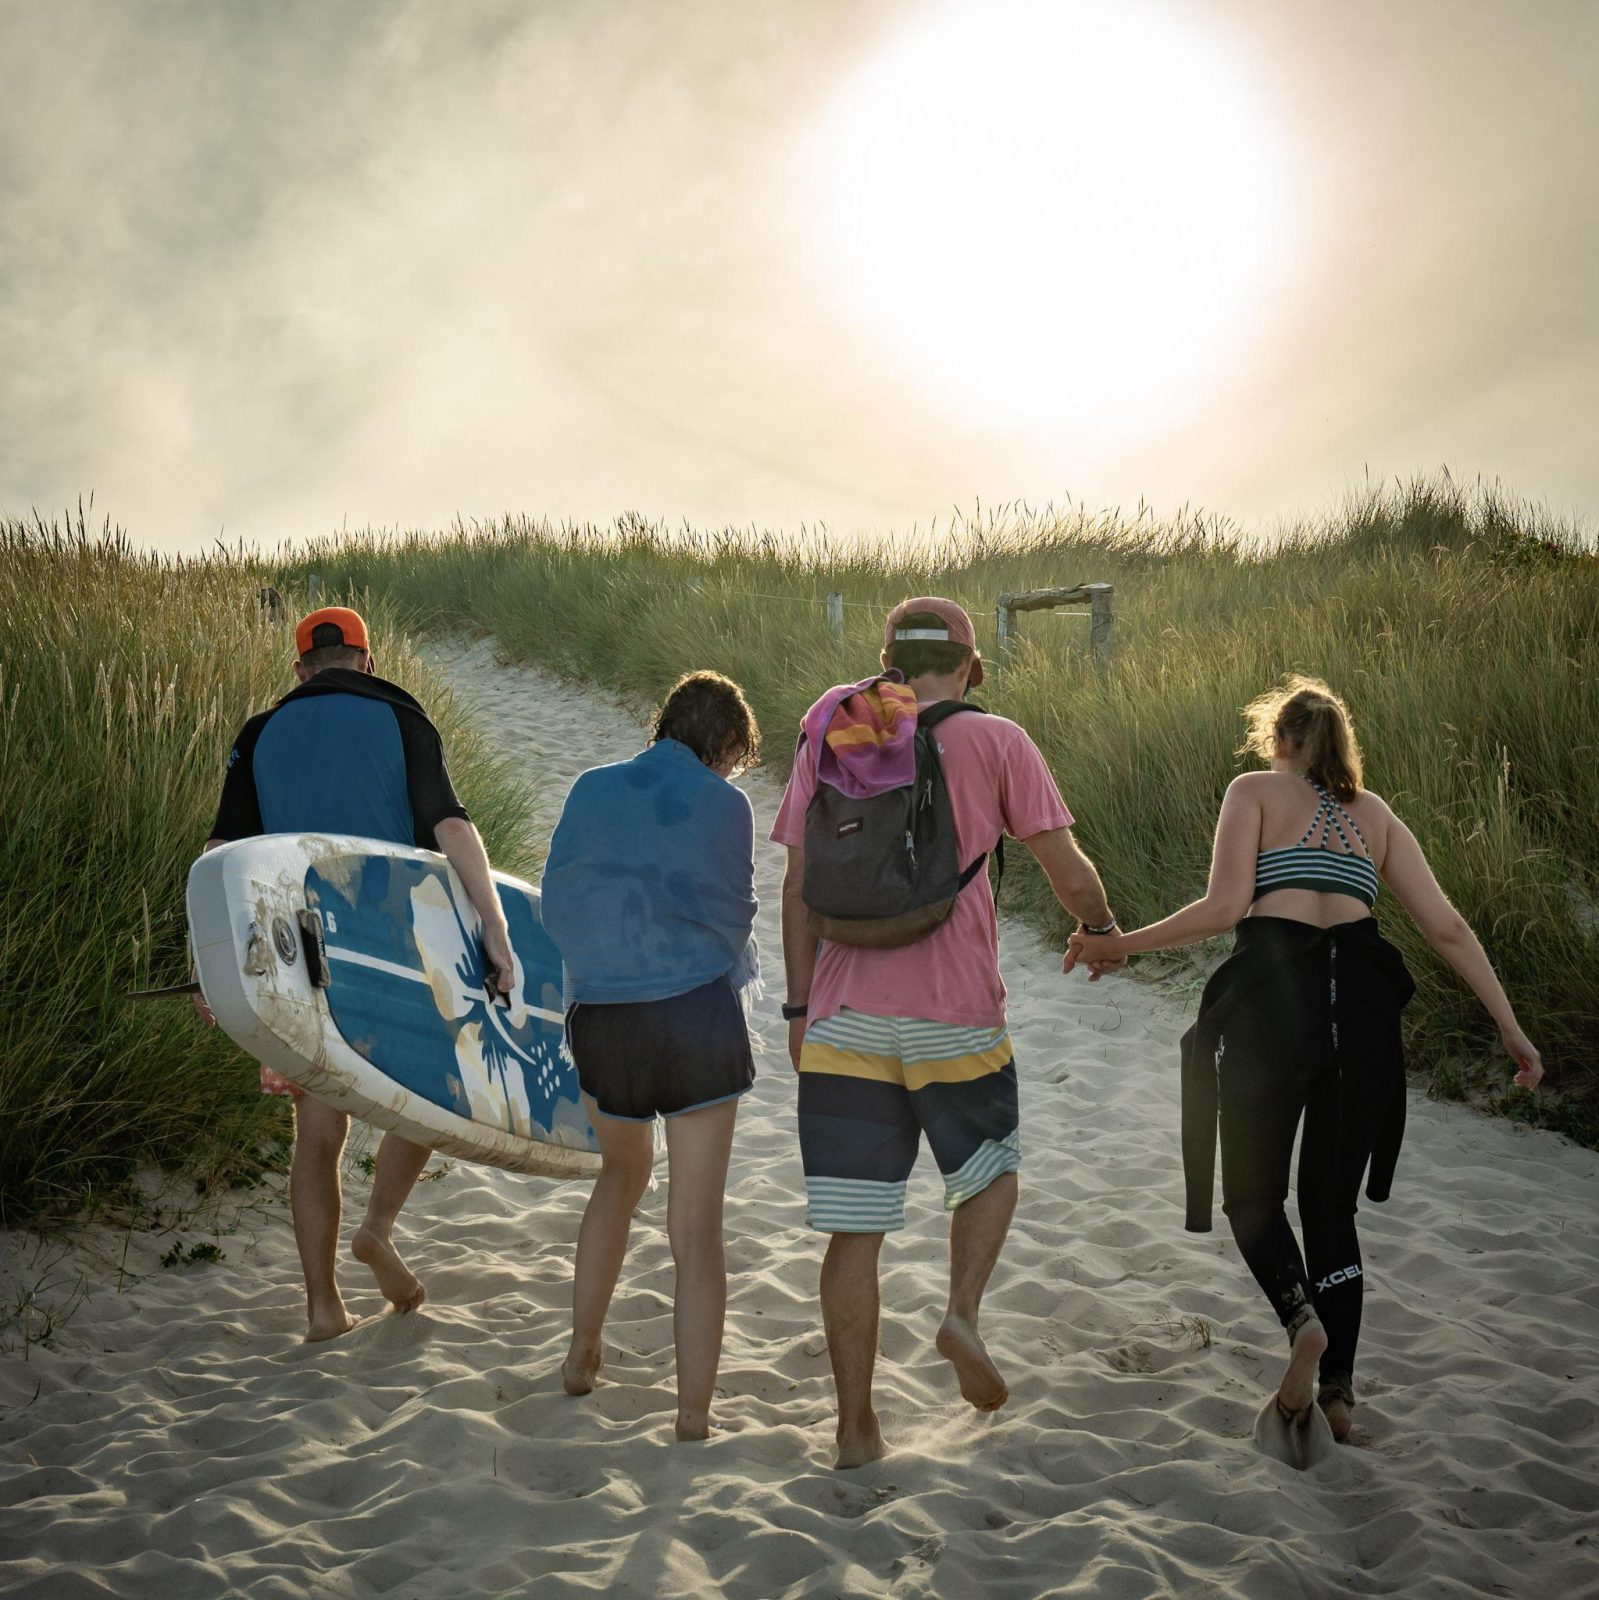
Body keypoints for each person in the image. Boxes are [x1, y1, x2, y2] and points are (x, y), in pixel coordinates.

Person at [1066, 675, 1542, 1444]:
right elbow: (1448, 928)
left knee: (1253, 1200)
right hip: (1364, 1013)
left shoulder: (1251, 791)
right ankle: (1339, 1395)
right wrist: (1511, 1029)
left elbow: (1223, 909)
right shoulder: (1376, 816)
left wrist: (1116, 943)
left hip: (1272, 1004)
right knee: (1330, 1209)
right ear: (1340, 747)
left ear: (1277, 743)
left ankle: (1300, 1321)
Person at [774, 597, 1124, 1469]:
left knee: (854, 1231)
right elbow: (1066, 871)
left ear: (889, 661)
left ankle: (856, 1429)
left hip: (843, 1015)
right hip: (954, 1013)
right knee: (989, 1170)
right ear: (970, 667)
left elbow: (796, 886)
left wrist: (796, 1006)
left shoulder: (835, 727)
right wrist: (1104, 928)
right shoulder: (996, 738)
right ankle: (961, 1311)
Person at [198, 606, 514, 1342]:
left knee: (317, 1132)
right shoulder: (402, 717)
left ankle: (322, 1306)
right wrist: (494, 928)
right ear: (367, 662)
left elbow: (218, 854)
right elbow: (451, 827)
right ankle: (376, 1228)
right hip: (388, 946)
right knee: (428, 1097)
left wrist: (208, 963)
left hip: (296, 953)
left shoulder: (259, 733)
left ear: (300, 670)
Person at [540, 670, 761, 1443]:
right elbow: (735, 918)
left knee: (619, 1175)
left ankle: (580, 1351)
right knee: (696, 1227)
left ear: (661, 723)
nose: (735, 772)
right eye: (736, 759)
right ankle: (693, 1415)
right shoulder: (726, 803)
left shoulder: (590, 788)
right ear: (726, 747)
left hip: (603, 1017)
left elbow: (555, 901)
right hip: (696, 1015)